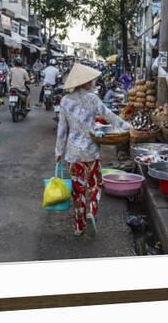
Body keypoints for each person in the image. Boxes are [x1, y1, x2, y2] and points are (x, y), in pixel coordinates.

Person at [55, 63, 130, 237]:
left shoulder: (65, 101)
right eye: (92, 80)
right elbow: (109, 115)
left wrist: (58, 152)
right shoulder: (93, 99)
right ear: (86, 82)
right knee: (95, 184)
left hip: (73, 154)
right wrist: (127, 126)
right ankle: (92, 210)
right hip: (91, 152)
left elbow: (62, 130)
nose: (94, 83)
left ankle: (79, 226)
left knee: (78, 190)